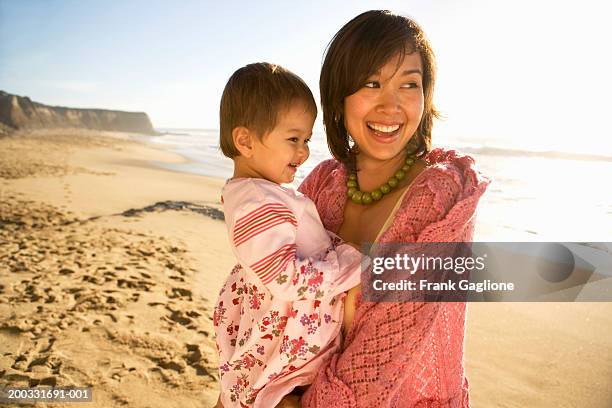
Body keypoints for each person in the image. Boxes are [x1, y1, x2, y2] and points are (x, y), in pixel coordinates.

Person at [297, 10, 491, 407]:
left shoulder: (444, 194)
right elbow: (269, 296)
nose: (392, 106)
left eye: (409, 84)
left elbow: (381, 357)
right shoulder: (322, 184)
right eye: (372, 83)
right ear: (339, 94)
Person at [213, 62, 368, 408]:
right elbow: (283, 278)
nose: (303, 152)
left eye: (307, 140)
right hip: (283, 332)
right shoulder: (258, 201)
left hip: (282, 324)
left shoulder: (259, 192)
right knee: (278, 393)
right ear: (245, 141)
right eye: (293, 139)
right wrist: (344, 264)